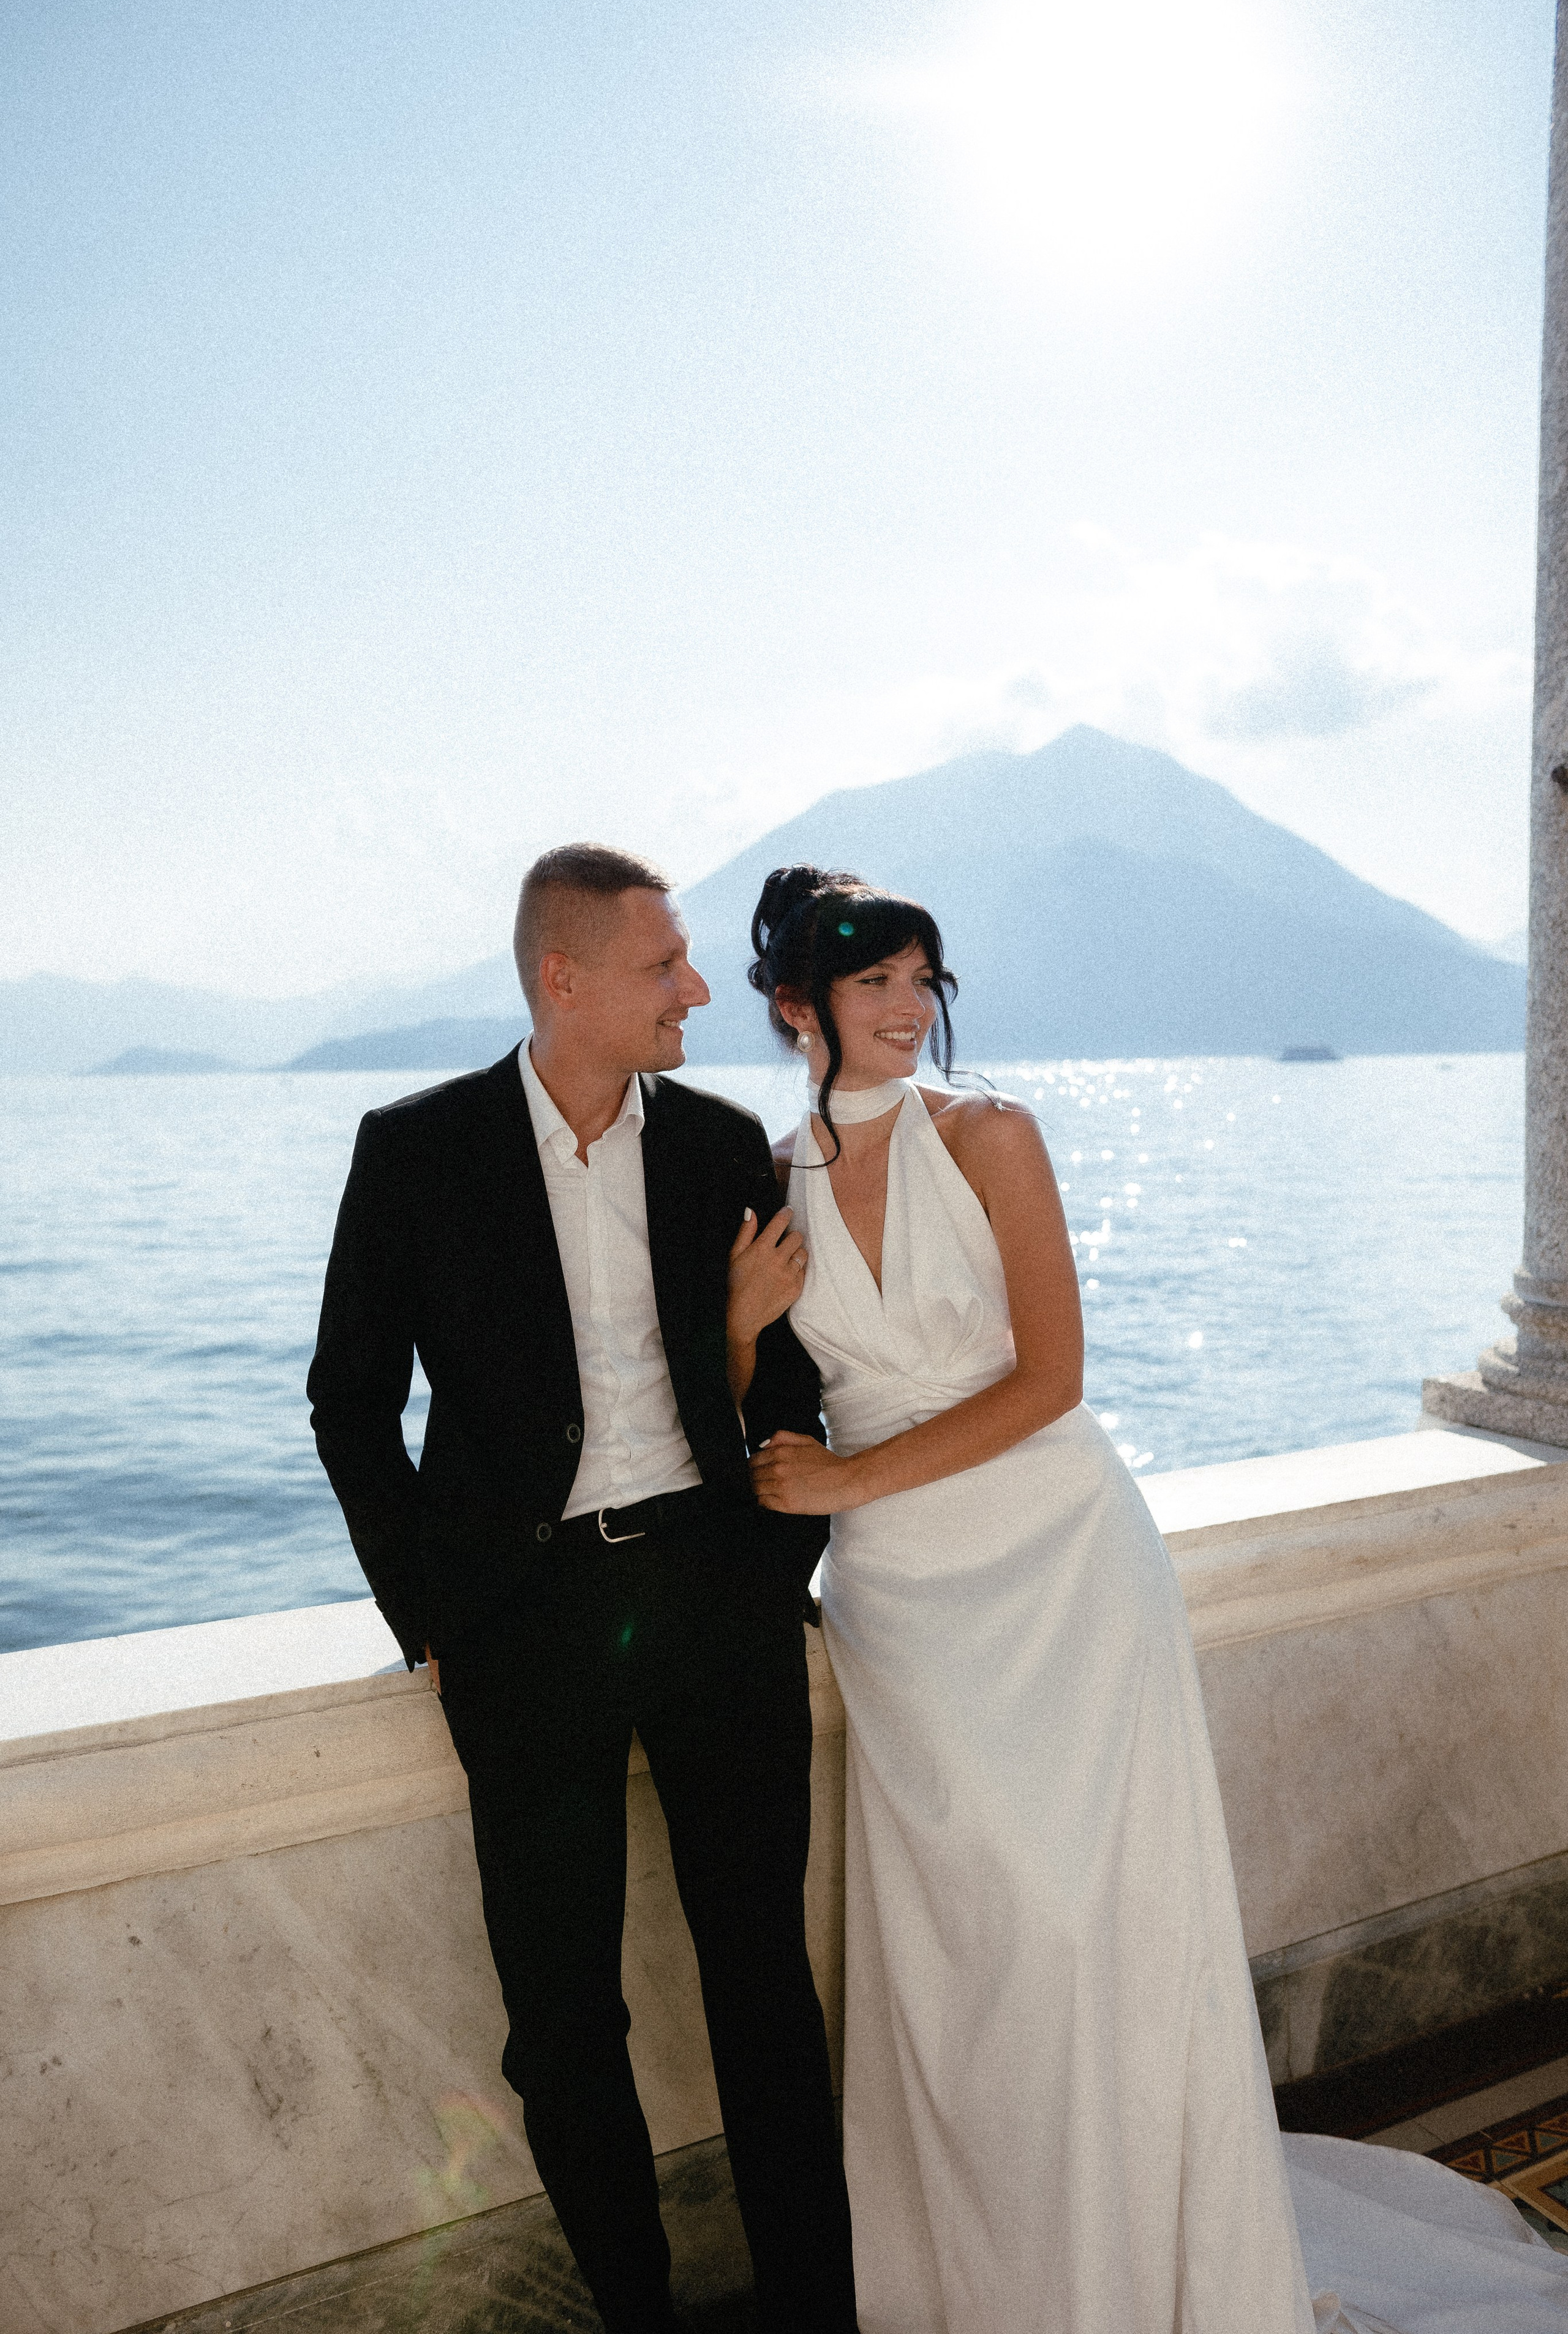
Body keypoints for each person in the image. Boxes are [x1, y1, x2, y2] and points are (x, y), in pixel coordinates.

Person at [726, 862, 1568, 2334]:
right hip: (908, 1615)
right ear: (798, 1005)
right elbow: (762, 1422)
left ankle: (1145, 2266)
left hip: (1058, 1570)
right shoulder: (768, 1177)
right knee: (960, 1955)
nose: (909, 1010)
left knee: (1083, 1926)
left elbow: (1050, 1381)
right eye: (874, 985)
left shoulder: (990, 1136)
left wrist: (848, 1489)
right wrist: (740, 1336)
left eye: (924, 980)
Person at [307, 844, 856, 2334]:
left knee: (764, 1991)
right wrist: (427, 1618)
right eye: (660, 966)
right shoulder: (418, 1150)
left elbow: (793, 1388)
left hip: (716, 1606)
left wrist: (764, 1567)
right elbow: (347, 1405)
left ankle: (819, 2311)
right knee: (562, 2026)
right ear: (563, 980)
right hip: (526, 1626)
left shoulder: (722, 1145)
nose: (695, 989)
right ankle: (636, 2314)